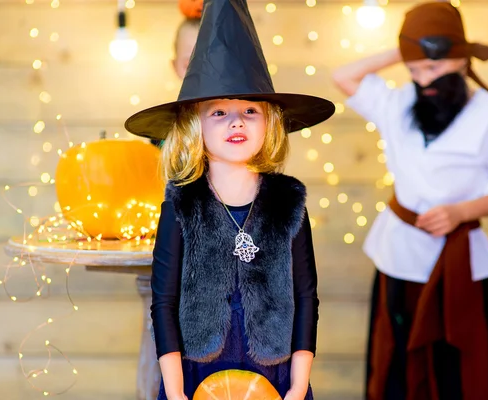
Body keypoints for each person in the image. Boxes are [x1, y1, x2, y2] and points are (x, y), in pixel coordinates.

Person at [124, 0, 335, 398]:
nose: (236, 121)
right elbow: (164, 302)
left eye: (250, 110)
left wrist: (299, 384)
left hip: (278, 377)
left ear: (270, 122)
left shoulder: (288, 202)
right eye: (219, 112)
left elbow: (307, 296)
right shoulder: (182, 205)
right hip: (196, 375)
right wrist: (174, 389)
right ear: (194, 125)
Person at [332, 2, 488, 399]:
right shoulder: (399, 102)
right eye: (415, 70)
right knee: (395, 357)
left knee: (455, 364)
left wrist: (461, 212)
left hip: (458, 260)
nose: (424, 80)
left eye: (434, 68)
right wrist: (410, 52)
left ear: (460, 58)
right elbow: (343, 75)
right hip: (398, 253)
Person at [151, 18, 201, 148]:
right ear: (175, 66)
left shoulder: (233, 120)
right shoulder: (164, 126)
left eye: (209, 63)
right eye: (187, 65)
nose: (199, 72)